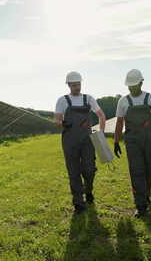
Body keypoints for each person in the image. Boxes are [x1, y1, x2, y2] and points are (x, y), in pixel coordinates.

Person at [113, 69, 151, 218]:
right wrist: (116, 141)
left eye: (134, 85)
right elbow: (119, 123)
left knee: (150, 169)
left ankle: (145, 194)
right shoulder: (123, 101)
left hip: (149, 139)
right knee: (136, 171)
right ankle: (140, 204)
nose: (131, 88)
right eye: (129, 86)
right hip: (132, 141)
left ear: (141, 83)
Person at [54, 71, 106, 214]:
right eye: (74, 85)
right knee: (73, 171)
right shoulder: (62, 100)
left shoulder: (88, 99)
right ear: (69, 85)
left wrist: (101, 132)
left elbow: (101, 115)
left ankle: (88, 190)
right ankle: (78, 202)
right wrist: (62, 123)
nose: (77, 87)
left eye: (79, 84)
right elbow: (56, 119)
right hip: (70, 140)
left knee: (89, 169)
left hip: (87, 140)